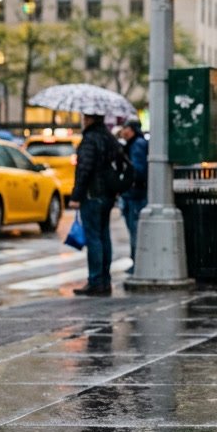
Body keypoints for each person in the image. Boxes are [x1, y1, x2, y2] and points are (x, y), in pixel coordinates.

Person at [67, 113, 121, 296]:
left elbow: (84, 169)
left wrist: (76, 195)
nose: (83, 121)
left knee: (94, 238)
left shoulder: (90, 140)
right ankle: (105, 280)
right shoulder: (109, 138)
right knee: (104, 235)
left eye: (85, 118)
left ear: (90, 120)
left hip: (93, 194)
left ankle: (95, 280)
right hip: (107, 194)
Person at [118, 119, 149, 268]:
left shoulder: (137, 145)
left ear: (132, 130)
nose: (123, 131)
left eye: (125, 128)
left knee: (135, 230)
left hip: (135, 195)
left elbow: (138, 171)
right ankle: (136, 261)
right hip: (133, 194)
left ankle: (137, 263)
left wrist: (126, 179)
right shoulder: (134, 144)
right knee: (134, 229)